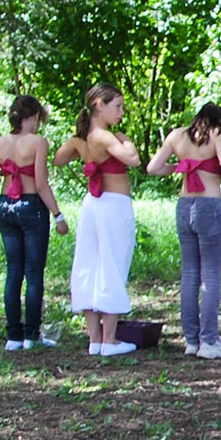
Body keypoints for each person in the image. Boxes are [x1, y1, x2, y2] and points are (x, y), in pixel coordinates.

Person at [54, 83, 142, 358]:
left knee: (89, 266)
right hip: (113, 205)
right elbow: (133, 159)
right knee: (113, 264)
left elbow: (58, 159)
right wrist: (125, 139)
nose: (121, 111)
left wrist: (84, 156)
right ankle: (110, 339)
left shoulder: (81, 138)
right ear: (99, 105)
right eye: (117, 106)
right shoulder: (105, 136)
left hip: (92, 205)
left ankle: (95, 339)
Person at [146, 103, 221, 360]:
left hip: (184, 205)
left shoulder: (176, 135)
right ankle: (208, 340)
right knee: (210, 275)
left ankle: (191, 340)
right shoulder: (216, 135)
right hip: (208, 205)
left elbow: (153, 168)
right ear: (218, 122)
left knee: (189, 274)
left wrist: (180, 167)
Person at [0, 94, 67, 350]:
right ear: (32, 117)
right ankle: (31, 334)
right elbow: (41, 183)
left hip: (7, 205)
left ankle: (12, 335)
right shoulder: (38, 142)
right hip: (32, 206)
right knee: (33, 273)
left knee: (13, 272)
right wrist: (58, 215)